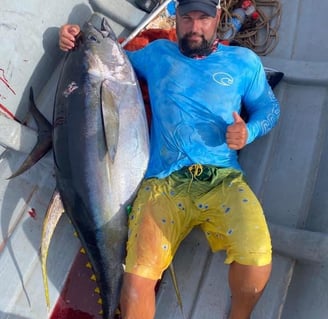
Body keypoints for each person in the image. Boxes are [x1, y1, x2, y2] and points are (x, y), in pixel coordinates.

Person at [59, 0, 280, 318]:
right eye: (187, 18)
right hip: (164, 183)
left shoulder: (244, 62)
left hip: (223, 179)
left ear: (217, 18)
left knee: (257, 262)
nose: (194, 27)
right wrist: (73, 39)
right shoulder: (156, 54)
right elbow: (106, 62)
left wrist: (250, 131)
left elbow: (268, 107)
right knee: (134, 286)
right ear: (176, 19)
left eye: (203, 18)